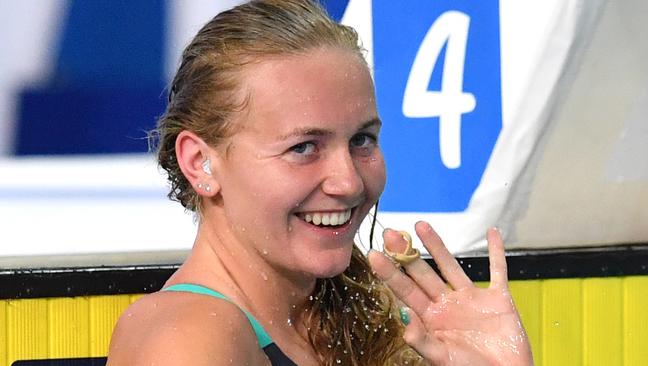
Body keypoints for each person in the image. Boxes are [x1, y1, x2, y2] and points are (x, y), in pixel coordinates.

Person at [106, 1, 533, 365]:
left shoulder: (345, 316)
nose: (348, 182)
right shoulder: (186, 339)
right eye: (304, 148)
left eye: (362, 140)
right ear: (200, 163)